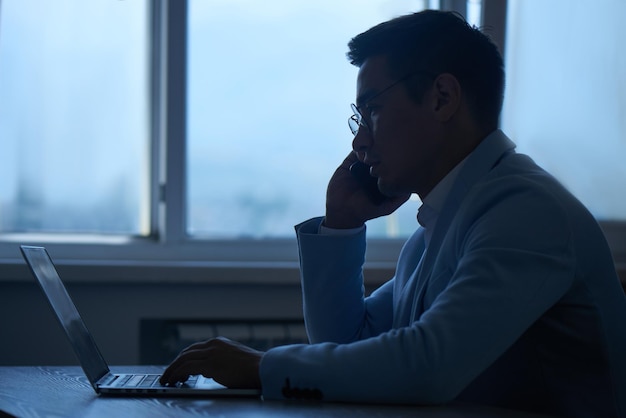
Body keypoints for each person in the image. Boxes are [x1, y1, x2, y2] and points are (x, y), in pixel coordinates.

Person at [161, 10, 626, 417]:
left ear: (443, 98)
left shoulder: (526, 211)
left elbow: (429, 367)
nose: (359, 141)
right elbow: (348, 347)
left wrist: (263, 368)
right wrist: (341, 225)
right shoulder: (439, 228)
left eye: (373, 111)